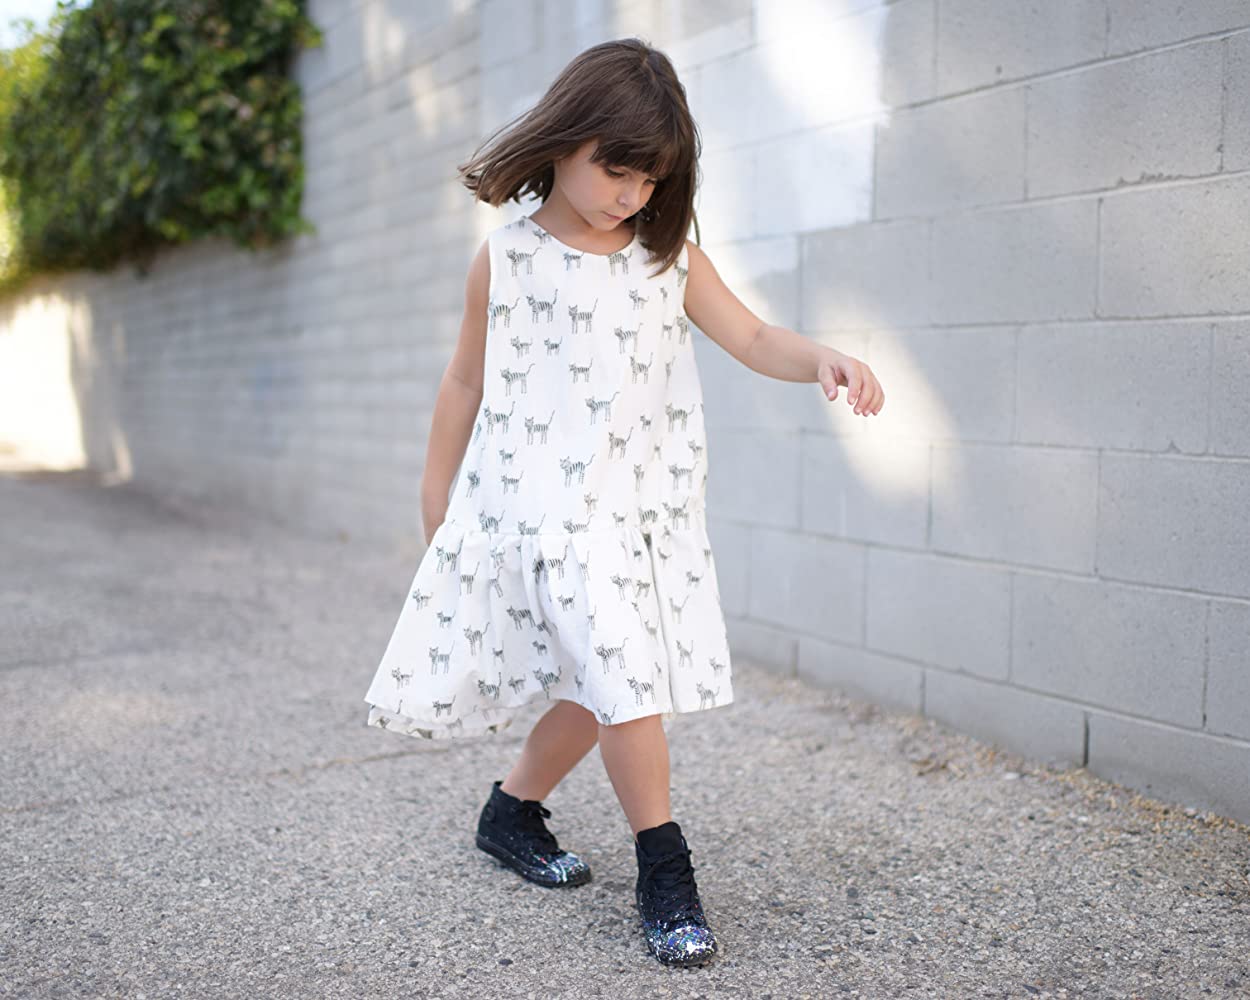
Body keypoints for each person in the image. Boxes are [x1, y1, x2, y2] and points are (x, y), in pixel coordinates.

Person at [360, 37, 884, 969]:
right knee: (625, 679)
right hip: (546, 518)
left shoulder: (667, 258)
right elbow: (463, 382)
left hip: (638, 512)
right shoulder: (507, 259)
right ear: (565, 139)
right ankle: (665, 871)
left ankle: (510, 812)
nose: (630, 195)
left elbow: (753, 337)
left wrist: (823, 359)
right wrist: (436, 500)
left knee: (600, 687)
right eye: (616, 169)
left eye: (650, 179)